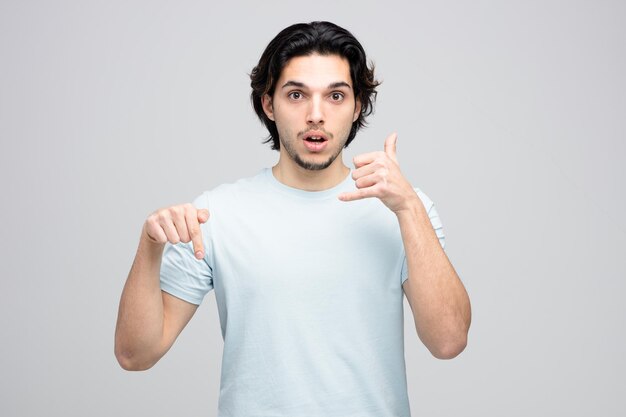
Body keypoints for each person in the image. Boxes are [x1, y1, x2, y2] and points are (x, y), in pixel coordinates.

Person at [115, 21, 471, 417]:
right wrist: (150, 247)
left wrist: (408, 208)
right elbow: (135, 354)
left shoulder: (403, 207)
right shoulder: (217, 213)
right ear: (269, 104)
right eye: (297, 94)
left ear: (357, 107)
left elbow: (448, 341)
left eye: (336, 95)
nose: (315, 115)